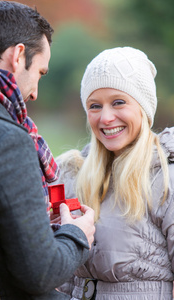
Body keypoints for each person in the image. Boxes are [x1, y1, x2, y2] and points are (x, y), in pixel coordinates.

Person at [0, 1, 95, 300]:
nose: (36, 93)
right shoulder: (7, 141)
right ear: (18, 56)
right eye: (40, 72)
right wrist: (77, 234)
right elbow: (40, 273)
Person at [52, 47, 174, 299]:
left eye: (118, 102)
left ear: (143, 107)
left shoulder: (167, 177)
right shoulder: (70, 174)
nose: (106, 117)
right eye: (95, 106)